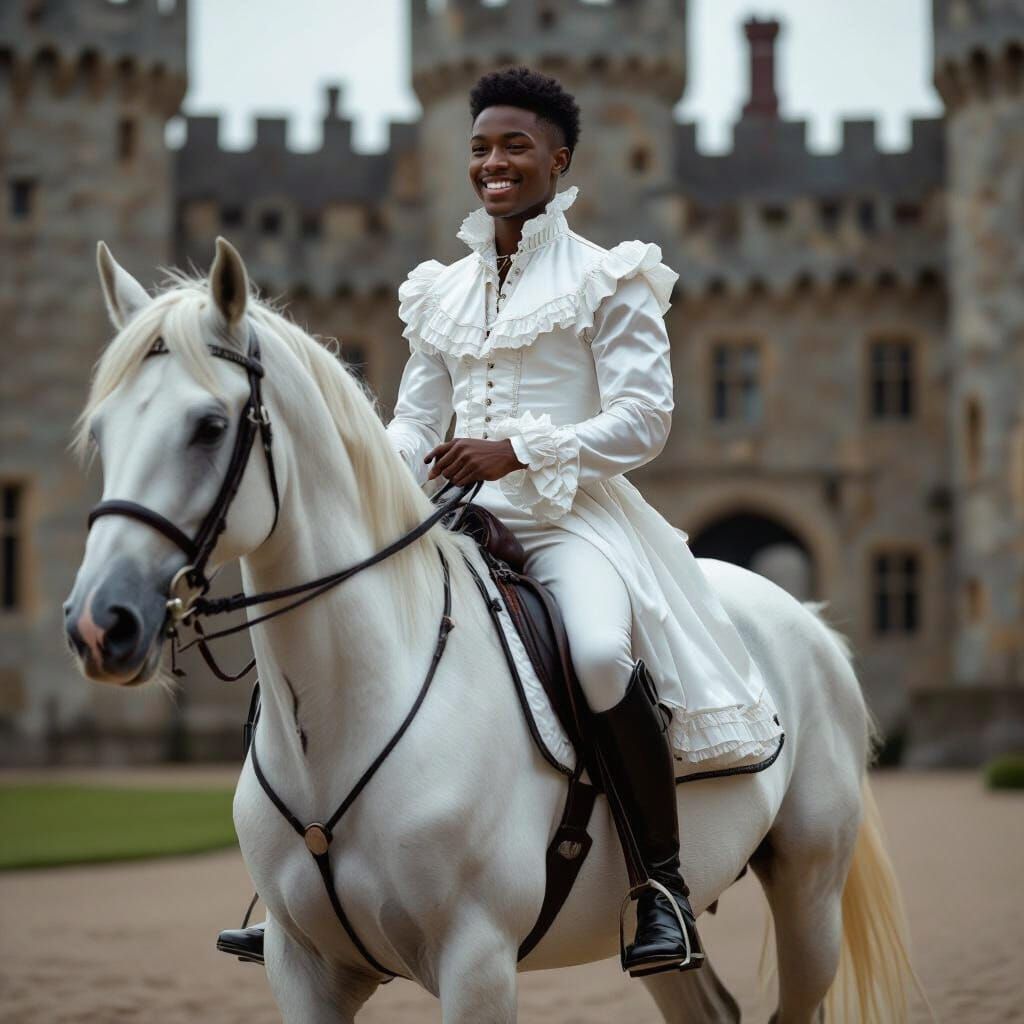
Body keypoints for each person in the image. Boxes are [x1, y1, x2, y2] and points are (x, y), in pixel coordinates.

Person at [218, 66, 782, 977]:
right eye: (480, 146)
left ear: (559, 158)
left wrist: (516, 451)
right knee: (326, 629)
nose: (495, 162)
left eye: (516, 146)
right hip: (453, 517)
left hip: (569, 519)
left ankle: (660, 888)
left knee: (599, 656)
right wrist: (372, 476)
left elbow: (644, 421)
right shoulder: (437, 290)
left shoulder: (612, 275)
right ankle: (298, 880)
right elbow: (415, 421)